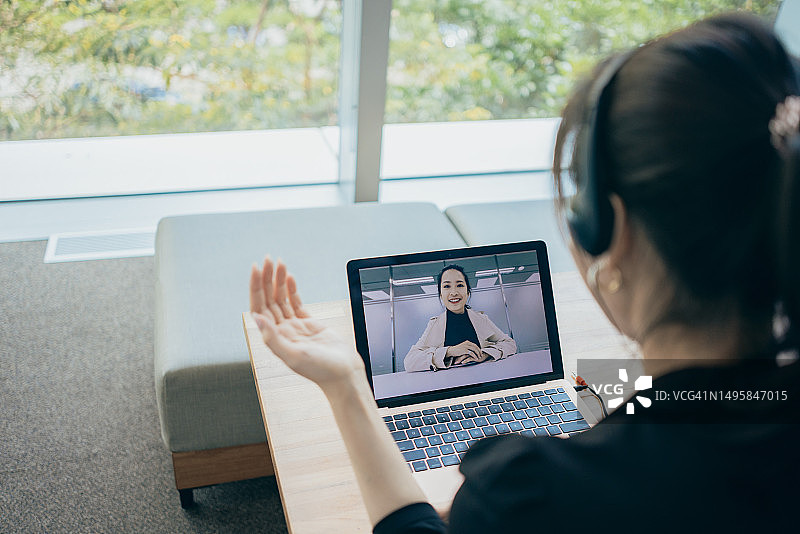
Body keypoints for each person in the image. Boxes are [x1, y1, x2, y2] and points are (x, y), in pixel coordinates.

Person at [249, 13, 800, 533]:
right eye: (448, 286)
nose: (455, 289)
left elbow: (512, 351)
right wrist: (403, 366)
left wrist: (351, 387)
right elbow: (418, 362)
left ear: (610, 229)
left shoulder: (532, 494)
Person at [403, 264, 517, 372]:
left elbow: (510, 344)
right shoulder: (435, 324)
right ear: (441, 295)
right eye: (447, 286)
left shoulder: (481, 318)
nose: (454, 292)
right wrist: (450, 351)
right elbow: (410, 361)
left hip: (485, 378)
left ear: (467, 292)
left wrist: (486, 355)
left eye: (460, 285)